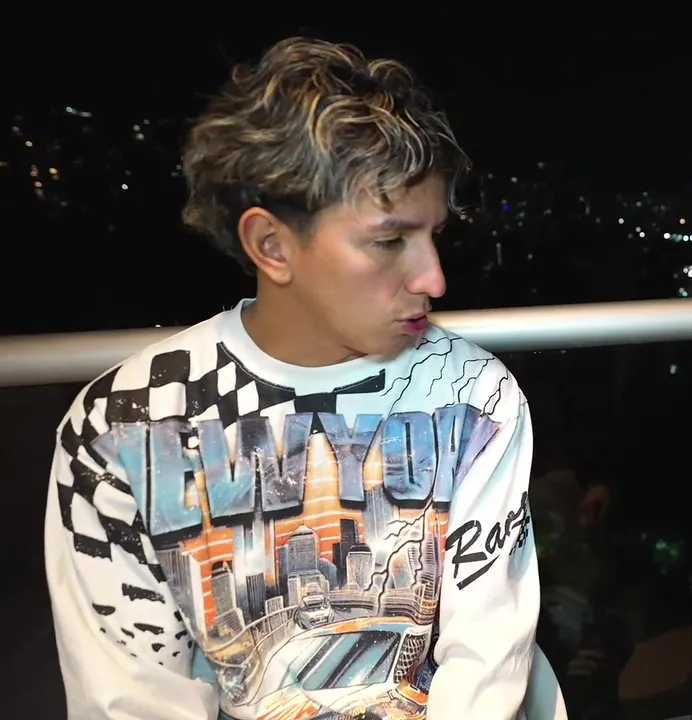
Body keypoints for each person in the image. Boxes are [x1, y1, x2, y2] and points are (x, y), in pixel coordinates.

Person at [44, 37, 543, 720]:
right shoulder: (122, 426)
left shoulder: (474, 396)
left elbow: (486, 662)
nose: (434, 278)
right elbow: (130, 699)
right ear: (272, 245)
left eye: (434, 235)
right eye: (389, 240)